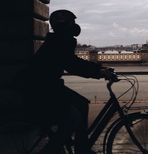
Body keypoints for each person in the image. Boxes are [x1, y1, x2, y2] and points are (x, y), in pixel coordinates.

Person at [13, 9, 115, 154]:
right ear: (64, 26)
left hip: (47, 87)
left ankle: (81, 147)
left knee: (82, 104)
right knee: (72, 118)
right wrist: (99, 72)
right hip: (41, 90)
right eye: (72, 22)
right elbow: (73, 65)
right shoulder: (59, 42)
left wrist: (99, 68)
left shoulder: (60, 40)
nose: (75, 26)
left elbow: (73, 62)